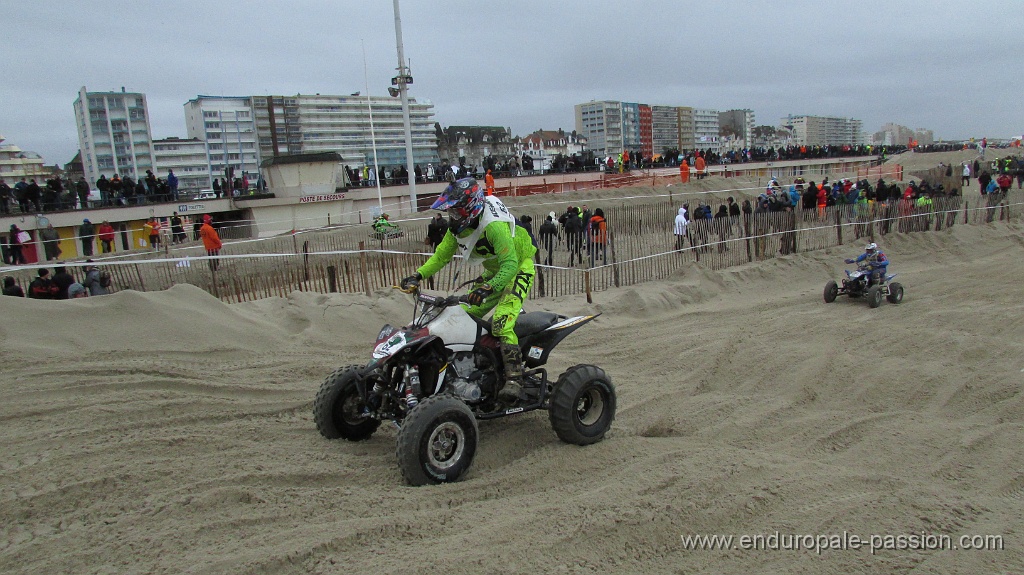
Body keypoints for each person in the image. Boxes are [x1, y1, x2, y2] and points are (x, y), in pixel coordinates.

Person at [399, 177, 537, 402]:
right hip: (494, 273)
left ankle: (515, 379)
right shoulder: (457, 230)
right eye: (450, 213)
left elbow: (510, 264)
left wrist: (488, 287)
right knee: (463, 315)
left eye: (455, 212)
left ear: (469, 209)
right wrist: (418, 274)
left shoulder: (493, 227)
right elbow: (442, 255)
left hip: (518, 269)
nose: (452, 218)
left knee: (502, 321)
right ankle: (480, 365)